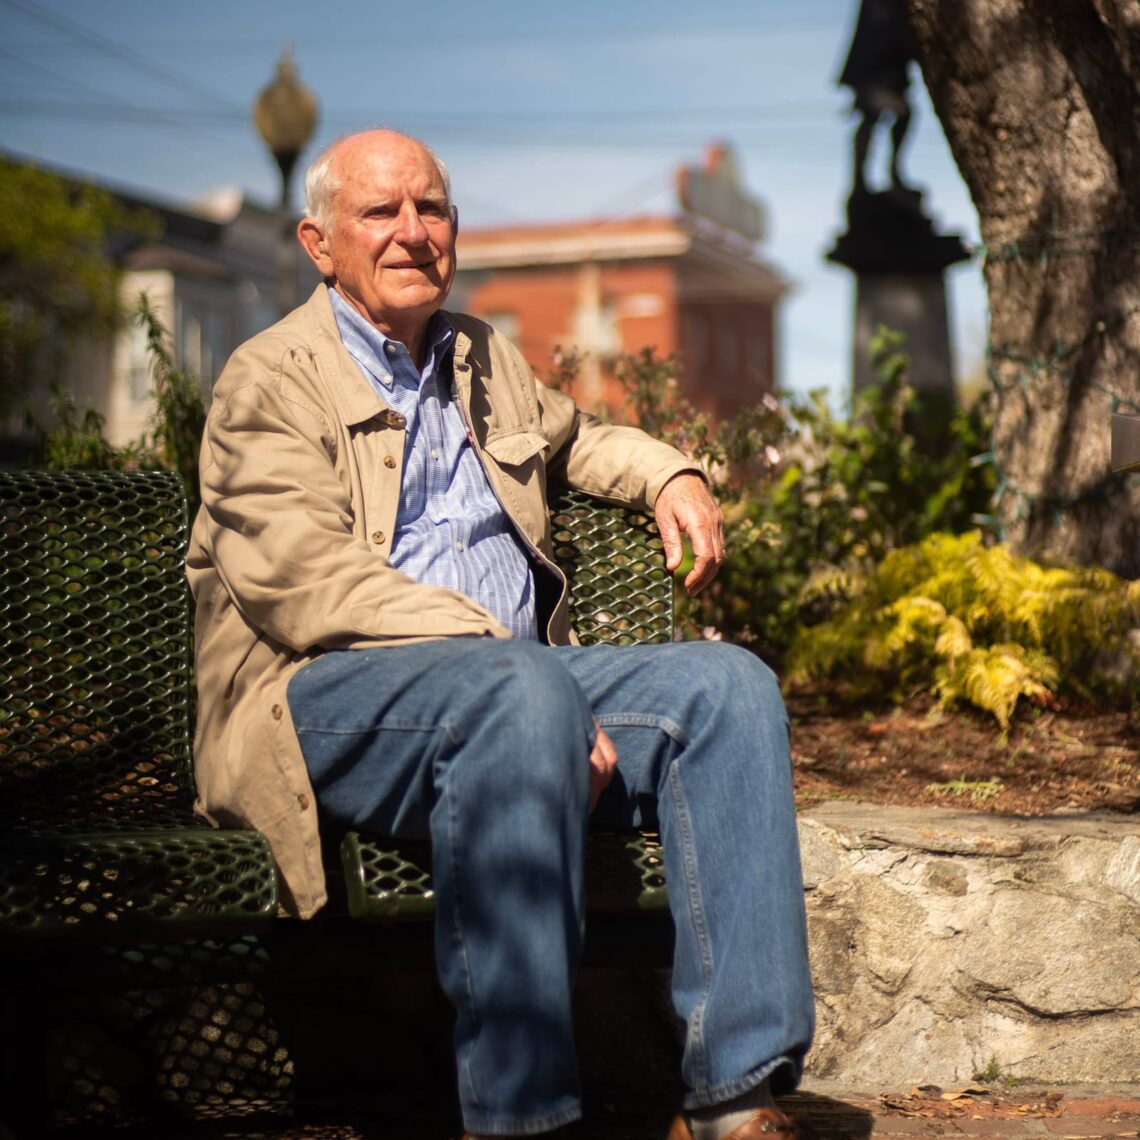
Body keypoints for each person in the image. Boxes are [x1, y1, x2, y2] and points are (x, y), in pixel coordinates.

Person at [187, 128, 815, 1140]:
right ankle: (524, 1118)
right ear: (318, 243)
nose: (412, 232)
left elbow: (576, 439)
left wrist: (670, 470)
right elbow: (300, 584)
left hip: (513, 696)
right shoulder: (270, 381)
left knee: (729, 690)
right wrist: (506, 660)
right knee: (519, 693)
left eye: (430, 208)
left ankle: (737, 1095)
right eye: (379, 213)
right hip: (326, 700)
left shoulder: (478, 353)